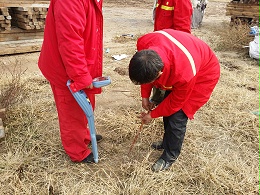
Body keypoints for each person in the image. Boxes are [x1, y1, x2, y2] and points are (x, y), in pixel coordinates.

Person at [128, 29, 220, 172]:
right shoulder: (145, 45)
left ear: (160, 73)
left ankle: (170, 155)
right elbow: (145, 74)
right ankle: (167, 142)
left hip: (203, 74)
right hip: (178, 61)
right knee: (166, 109)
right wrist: (145, 96)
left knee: (178, 117)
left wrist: (151, 115)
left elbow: (174, 104)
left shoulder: (183, 75)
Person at [38, 0, 104, 163]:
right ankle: (77, 151)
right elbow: (70, 42)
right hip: (64, 69)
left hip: (80, 64)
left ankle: (83, 135)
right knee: (72, 110)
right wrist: (81, 76)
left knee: (85, 105)